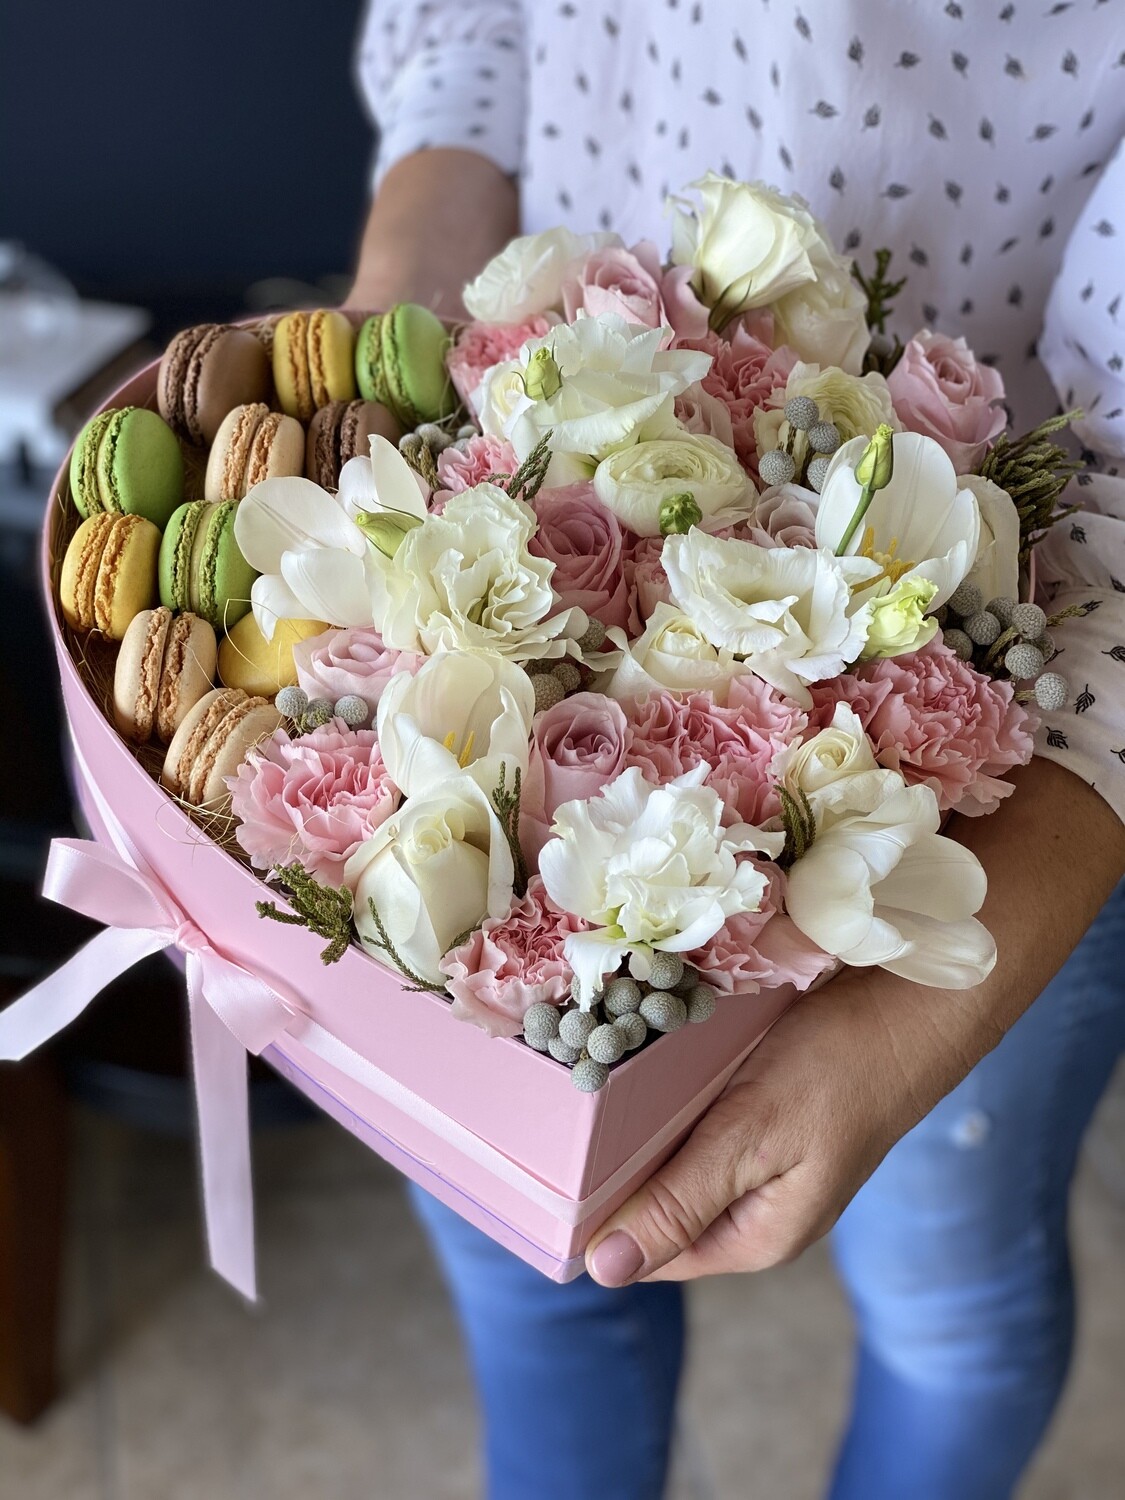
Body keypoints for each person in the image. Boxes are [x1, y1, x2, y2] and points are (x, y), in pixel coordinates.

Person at [348, 6, 1125, 1497]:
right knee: (529, 1264)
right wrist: (382, 373)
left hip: (1003, 771)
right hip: (481, 657)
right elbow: (474, 36)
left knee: (945, 1293)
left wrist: (896, 1036)